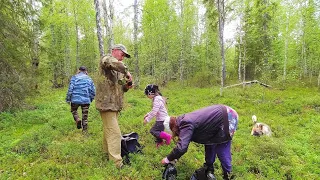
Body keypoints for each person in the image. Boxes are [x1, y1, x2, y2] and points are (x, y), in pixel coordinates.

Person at [161, 104, 239, 180]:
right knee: (210, 143)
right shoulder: (182, 121)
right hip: (222, 113)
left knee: (221, 148)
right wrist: (174, 158)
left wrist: (168, 159)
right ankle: (209, 168)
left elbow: (182, 148)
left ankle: (228, 175)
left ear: (173, 128)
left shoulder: (186, 124)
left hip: (228, 118)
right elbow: (183, 143)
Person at [95, 44, 133, 169]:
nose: (122, 58)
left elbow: (121, 87)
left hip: (114, 105)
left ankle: (106, 154)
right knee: (115, 133)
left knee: (109, 130)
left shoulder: (118, 70)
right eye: (122, 54)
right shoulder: (106, 59)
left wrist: (127, 86)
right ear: (115, 51)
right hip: (107, 104)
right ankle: (117, 163)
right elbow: (112, 63)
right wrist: (126, 71)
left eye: (124, 56)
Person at [66, 66, 96, 133]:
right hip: (86, 100)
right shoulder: (89, 79)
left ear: (78, 70)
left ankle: (77, 119)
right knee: (85, 116)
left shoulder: (74, 77)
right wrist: (90, 98)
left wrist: (68, 99)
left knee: (74, 110)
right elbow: (93, 91)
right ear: (86, 71)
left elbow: (70, 89)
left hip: (75, 99)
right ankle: (85, 131)